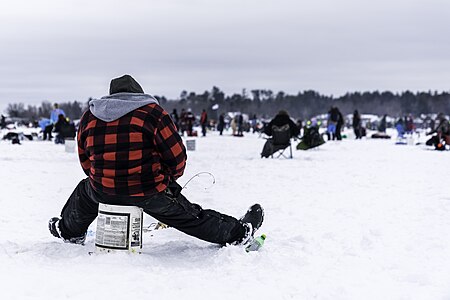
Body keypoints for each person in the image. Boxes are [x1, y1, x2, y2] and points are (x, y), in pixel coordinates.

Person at [48, 75, 263, 246]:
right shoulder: (152, 113)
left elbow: (85, 159)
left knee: (84, 192)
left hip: (102, 189)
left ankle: (68, 231)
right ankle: (239, 233)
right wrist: (167, 179)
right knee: (190, 217)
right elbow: (176, 155)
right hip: (148, 190)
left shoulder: (90, 116)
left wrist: (102, 178)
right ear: (138, 93)